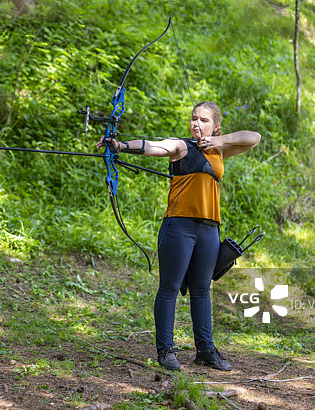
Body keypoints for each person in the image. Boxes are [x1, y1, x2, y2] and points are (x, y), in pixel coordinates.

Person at [96, 101, 261, 371]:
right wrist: (120, 146)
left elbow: (253, 138)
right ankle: (165, 351)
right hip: (179, 226)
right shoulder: (181, 146)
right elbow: (154, 146)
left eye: (204, 120)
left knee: (201, 290)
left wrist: (217, 140)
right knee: (170, 288)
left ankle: (205, 350)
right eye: (194, 118)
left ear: (215, 125)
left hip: (209, 228)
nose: (197, 123)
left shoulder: (218, 149)